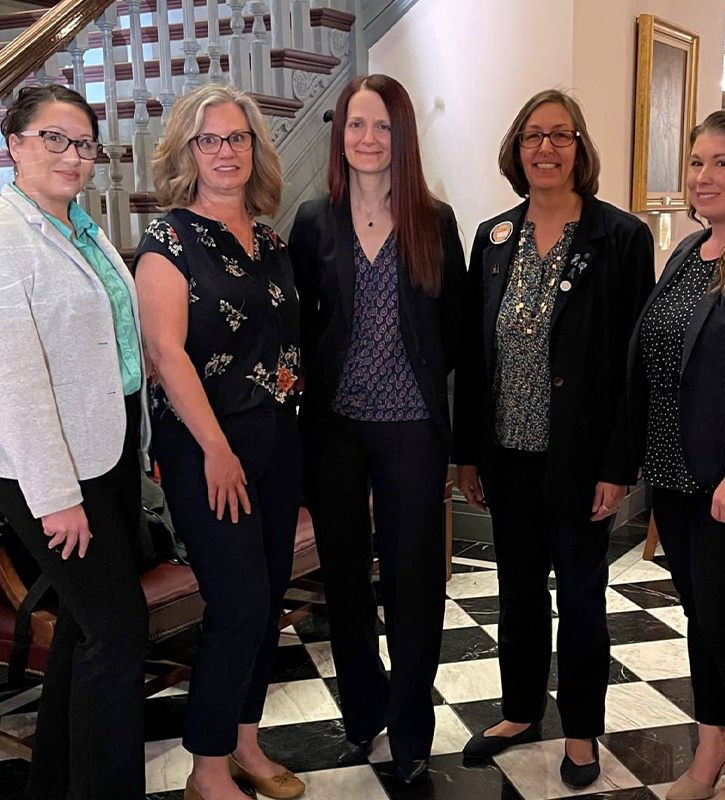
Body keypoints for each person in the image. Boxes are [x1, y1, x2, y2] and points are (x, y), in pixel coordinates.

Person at [454, 89, 654, 787]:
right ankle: (517, 709)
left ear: (580, 147)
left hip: (581, 461)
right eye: (533, 136)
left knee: (581, 597)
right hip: (507, 458)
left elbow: (636, 364)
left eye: (560, 136)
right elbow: (477, 355)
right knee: (517, 594)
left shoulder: (620, 238)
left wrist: (618, 464)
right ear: (516, 150)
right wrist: (468, 451)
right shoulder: (493, 237)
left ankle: (581, 731)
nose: (545, 148)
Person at [288, 74, 466, 785]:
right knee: (346, 583)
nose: (368, 139)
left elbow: (450, 330)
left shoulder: (435, 218)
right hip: (334, 430)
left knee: (414, 581)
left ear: (402, 137)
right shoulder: (312, 221)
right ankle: (363, 719)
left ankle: (413, 731)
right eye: (357, 125)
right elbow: (300, 329)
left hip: (412, 430)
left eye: (383, 127)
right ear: (341, 136)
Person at [0, 85, 150, 800]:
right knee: (117, 630)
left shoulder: (83, 227)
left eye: (82, 143)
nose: (72, 156)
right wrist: (56, 497)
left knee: (86, 629)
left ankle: (54, 784)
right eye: (54, 138)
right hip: (44, 470)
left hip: (105, 451)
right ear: (12, 144)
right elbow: (11, 382)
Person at [134, 84, 304, 800]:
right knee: (235, 605)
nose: (225, 152)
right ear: (186, 152)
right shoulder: (166, 241)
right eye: (210, 140)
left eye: (237, 138)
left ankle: (246, 744)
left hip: (276, 443)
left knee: (265, 603)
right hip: (207, 451)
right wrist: (216, 448)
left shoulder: (269, 239)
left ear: (255, 150)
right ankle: (206, 770)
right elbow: (166, 354)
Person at [628, 108, 725, 800]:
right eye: (696, 162)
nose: (705, 175)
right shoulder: (691, 250)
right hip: (674, 472)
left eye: (722, 161)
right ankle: (712, 741)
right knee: (701, 615)